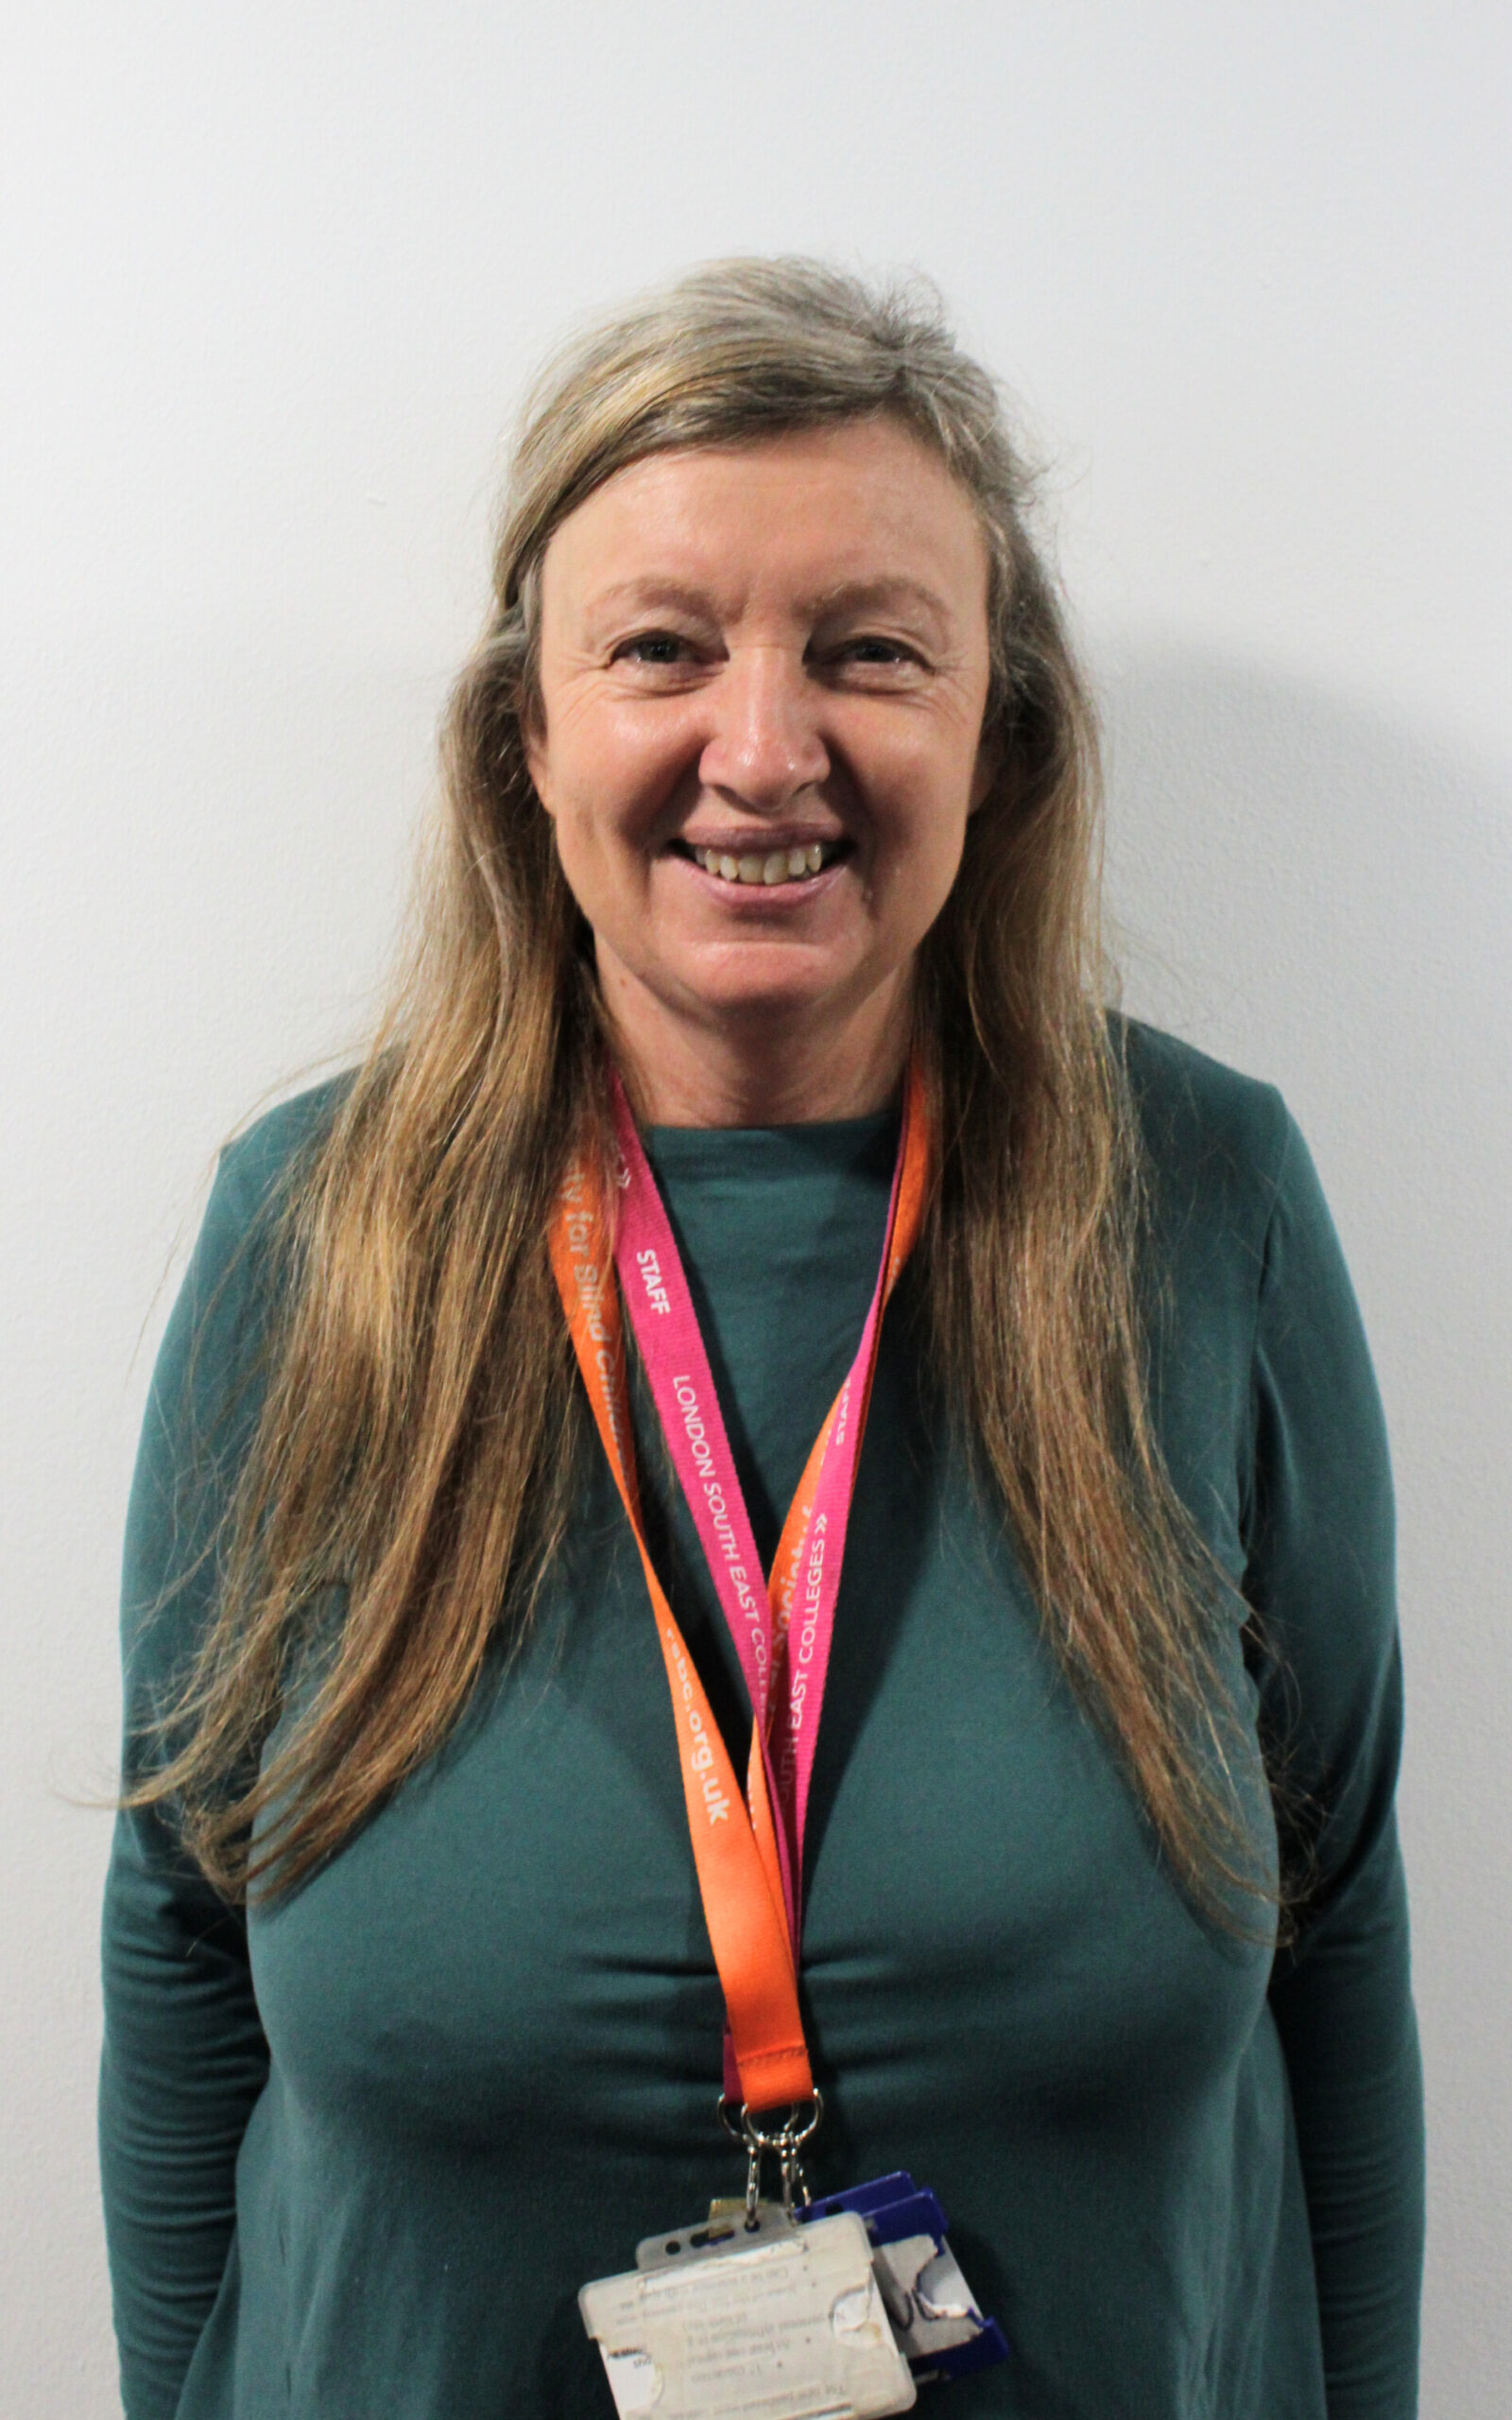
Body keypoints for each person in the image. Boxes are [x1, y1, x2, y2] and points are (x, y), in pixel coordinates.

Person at [100, 258, 1423, 2420]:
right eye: (659, 649)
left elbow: (1334, 1937)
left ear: (998, 740)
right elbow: (178, 1943)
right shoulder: (309, 1234)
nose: (761, 745)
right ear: (524, 732)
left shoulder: (1203, 1209)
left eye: (868, 650)